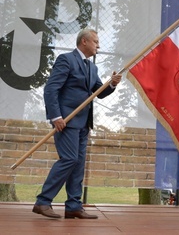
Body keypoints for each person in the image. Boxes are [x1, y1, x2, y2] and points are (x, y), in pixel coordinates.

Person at [32, 29, 122, 219]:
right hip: (66, 121)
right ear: (84, 41)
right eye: (95, 42)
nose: (98, 45)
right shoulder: (66, 60)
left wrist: (112, 84)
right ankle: (43, 201)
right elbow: (51, 89)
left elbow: (99, 91)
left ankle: (73, 206)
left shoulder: (92, 68)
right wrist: (55, 116)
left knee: (78, 163)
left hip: (83, 123)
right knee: (69, 159)